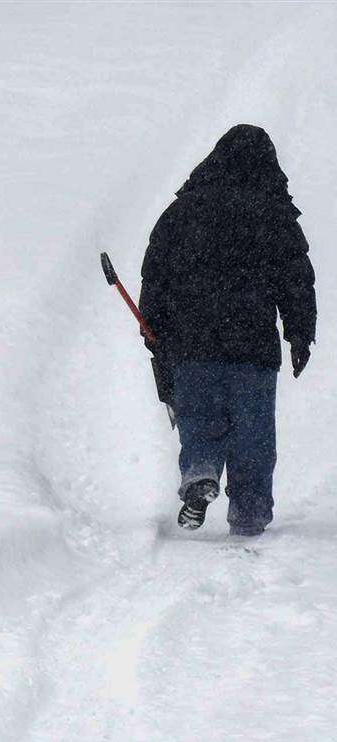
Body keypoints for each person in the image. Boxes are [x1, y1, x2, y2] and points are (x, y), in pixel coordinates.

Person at [138, 124, 316, 536]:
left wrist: (155, 329)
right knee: (252, 431)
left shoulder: (183, 211)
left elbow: (157, 273)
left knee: (199, 417)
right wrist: (299, 332)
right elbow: (295, 279)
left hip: (192, 342)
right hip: (251, 343)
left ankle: (200, 470)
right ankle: (250, 509)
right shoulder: (274, 214)